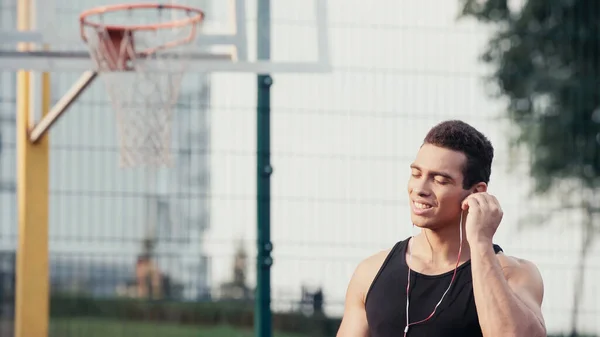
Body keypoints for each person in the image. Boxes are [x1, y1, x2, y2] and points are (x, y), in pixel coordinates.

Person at [336, 120, 546, 337]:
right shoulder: (371, 272)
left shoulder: (513, 274)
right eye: (416, 174)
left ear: (476, 192)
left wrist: (481, 242)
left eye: (439, 180)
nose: (420, 189)